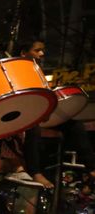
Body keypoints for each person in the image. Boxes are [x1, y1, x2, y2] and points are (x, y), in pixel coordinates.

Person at [19, 37, 95, 188]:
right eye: (37, 50)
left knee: (75, 126)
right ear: (23, 53)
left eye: (42, 50)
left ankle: (91, 168)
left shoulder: (38, 72)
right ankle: (35, 172)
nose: (41, 53)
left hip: (43, 113)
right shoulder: (17, 70)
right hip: (26, 115)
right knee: (32, 128)